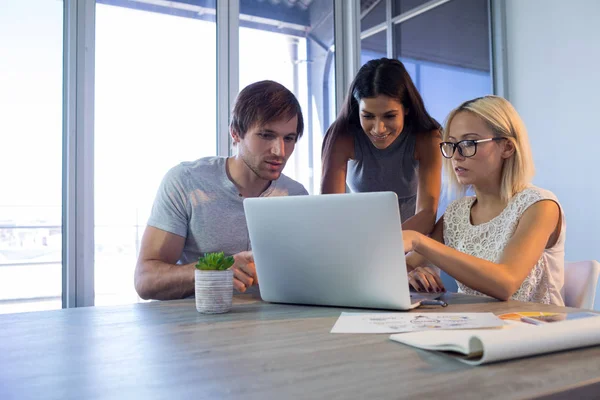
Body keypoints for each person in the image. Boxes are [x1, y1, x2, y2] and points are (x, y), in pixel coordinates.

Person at [134, 80, 308, 301]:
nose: (279, 151)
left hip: (274, 323)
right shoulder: (186, 182)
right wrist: (217, 269)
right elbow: (145, 281)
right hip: (199, 326)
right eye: (266, 135)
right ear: (236, 133)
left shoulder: (296, 197)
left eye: (289, 138)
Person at [404, 95, 565, 305]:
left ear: (507, 147)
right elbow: (407, 266)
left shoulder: (540, 206)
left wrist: (418, 240)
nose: (456, 156)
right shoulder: (456, 213)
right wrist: (410, 276)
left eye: (468, 143)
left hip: (537, 329)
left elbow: (505, 283)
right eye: (451, 144)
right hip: (476, 326)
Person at [321, 58, 442, 234]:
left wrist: (385, 245)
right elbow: (330, 209)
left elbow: (427, 213)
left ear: (406, 109)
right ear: (357, 110)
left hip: (415, 239)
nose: (379, 129)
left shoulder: (427, 137)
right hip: (357, 237)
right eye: (368, 116)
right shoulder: (342, 136)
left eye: (390, 116)